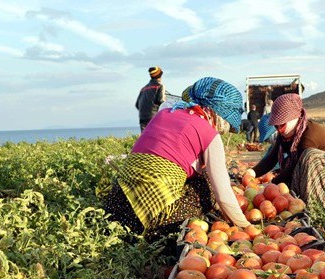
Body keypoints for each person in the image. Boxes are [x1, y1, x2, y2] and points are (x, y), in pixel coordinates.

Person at [105, 77, 250, 239]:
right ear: (218, 113)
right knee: (207, 187)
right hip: (149, 218)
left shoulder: (164, 114)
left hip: (116, 206)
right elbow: (222, 195)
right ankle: (158, 232)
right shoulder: (208, 133)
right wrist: (246, 227)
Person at [245, 93, 325, 213]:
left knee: (308, 156)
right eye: (276, 125)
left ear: (295, 118)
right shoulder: (286, 134)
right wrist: (251, 173)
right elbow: (271, 158)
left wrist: (271, 185)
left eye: (282, 124)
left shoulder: (310, 133)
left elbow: (296, 165)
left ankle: (321, 208)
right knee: (293, 162)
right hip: (324, 168)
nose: (279, 129)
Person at [135, 66, 165, 131]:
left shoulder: (143, 89)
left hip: (142, 118)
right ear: (159, 76)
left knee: (145, 137)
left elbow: (137, 105)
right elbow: (160, 101)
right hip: (153, 117)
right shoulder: (159, 86)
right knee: (155, 137)